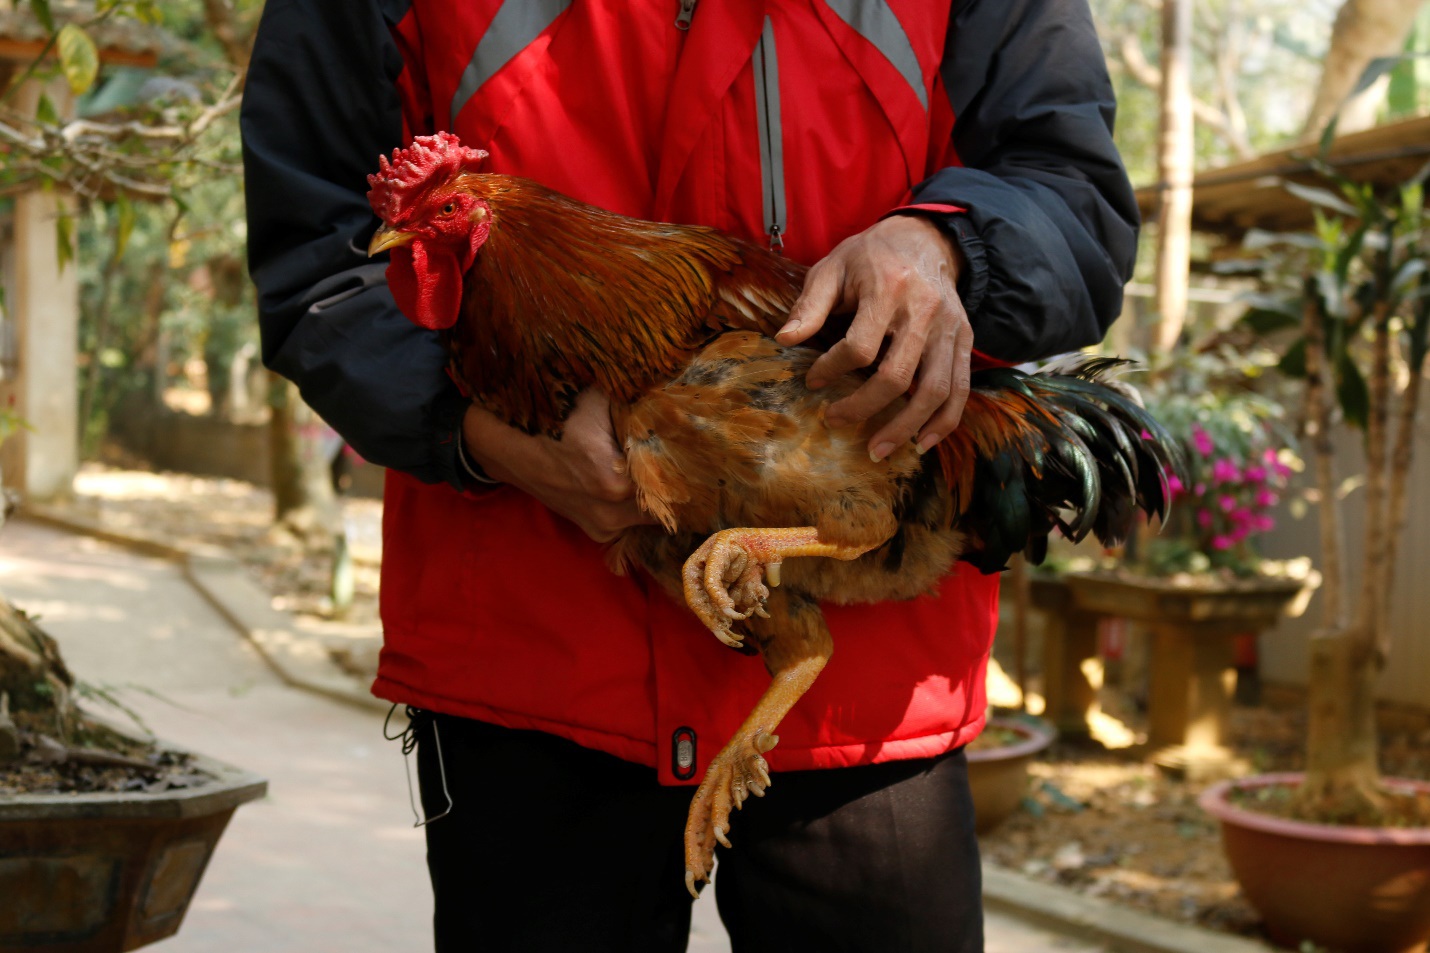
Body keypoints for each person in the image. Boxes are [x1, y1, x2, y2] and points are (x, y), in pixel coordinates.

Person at [241, 2, 1137, 950]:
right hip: (532, 651)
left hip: (866, 685)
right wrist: (484, 435)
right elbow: (320, 255)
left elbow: (1073, 186)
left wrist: (946, 243)